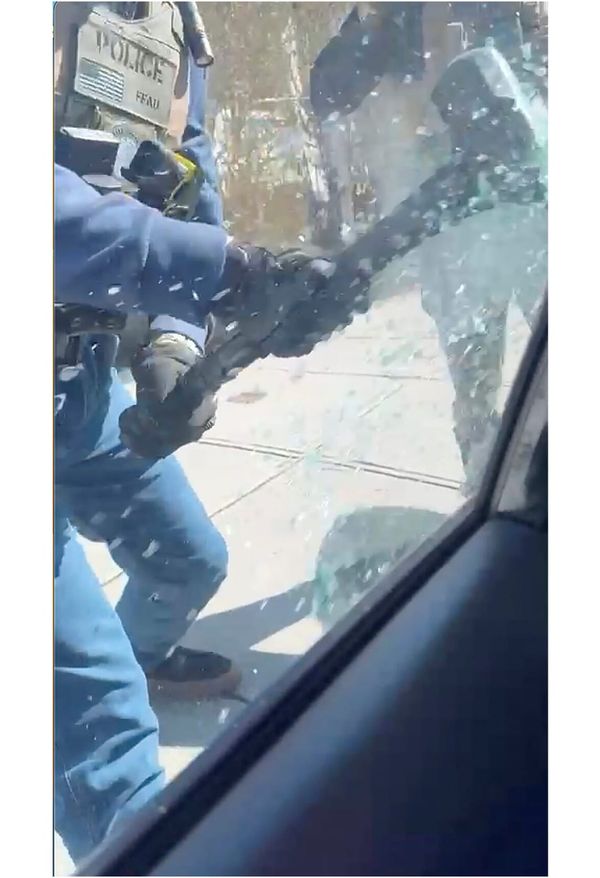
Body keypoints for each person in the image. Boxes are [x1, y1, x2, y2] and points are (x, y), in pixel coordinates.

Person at [54, 4, 367, 861]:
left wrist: (173, 341)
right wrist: (226, 275)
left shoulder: (177, 26)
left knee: (190, 561)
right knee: (110, 735)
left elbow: (191, 188)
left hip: (79, 383)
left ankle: (133, 658)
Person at [309, 2, 547, 490]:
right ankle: (486, 492)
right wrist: (372, 16)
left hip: (532, 208)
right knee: (475, 388)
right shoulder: (396, 12)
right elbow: (328, 90)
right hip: (450, 224)